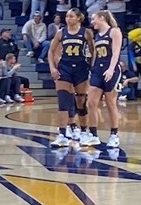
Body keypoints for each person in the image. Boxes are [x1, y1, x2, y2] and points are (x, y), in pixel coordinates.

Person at [50, 8, 92, 147]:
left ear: (79, 18)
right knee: (63, 102)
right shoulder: (61, 33)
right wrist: (53, 68)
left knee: (81, 102)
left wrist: (93, 67)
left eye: (71, 16)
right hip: (65, 68)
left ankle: (84, 131)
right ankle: (62, 134)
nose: (68, 18)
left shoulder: (86, 32)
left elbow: (93, 51)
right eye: (67, 16)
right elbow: (51, 51)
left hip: (81, 68)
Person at [86, 10, 124, 150]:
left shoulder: (114, 31)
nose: (92, 22)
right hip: (97, 69)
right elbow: (95, 55)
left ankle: (114, 135)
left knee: (110, 103)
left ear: (102, 18)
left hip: (111, 69)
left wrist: (111, 68)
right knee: (91, 102)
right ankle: (93, 135)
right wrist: (92, 69)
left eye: (94, 19)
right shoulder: (97, 36)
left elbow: (116, 52)